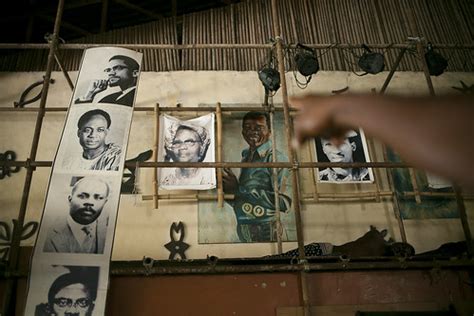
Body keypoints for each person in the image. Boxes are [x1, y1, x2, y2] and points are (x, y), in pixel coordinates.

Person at [290, 94, 474, 190]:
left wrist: (342, 109)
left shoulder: (362, 173)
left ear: (353, 146)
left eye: (340, 143)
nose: (336, 151)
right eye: (328, 145)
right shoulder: (325, 176)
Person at [222, 111, 292, 242]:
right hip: (244, 229)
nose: (252, 132)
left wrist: (238, 190)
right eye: (248, 128)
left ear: (269, 132)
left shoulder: (276, 158)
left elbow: (285, 202)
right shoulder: (246, 156)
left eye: (259, 128)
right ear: (242, 132)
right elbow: (244, 199)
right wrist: (228, 190)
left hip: (266, 230)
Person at [43, 177, 109, 254]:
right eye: (82, 196)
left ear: (105, 202)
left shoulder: (108, 233)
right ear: (70, 199)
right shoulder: (47, 232)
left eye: (98, 198)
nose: (90, 202)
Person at [75, 55, 139, 106]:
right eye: (108, 70)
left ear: (135, 73)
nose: (110, 73)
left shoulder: (136, 96)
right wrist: (90, 93)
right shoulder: (108, 98)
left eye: (117, 68)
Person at [161, 121, 212, 186]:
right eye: (177, 142)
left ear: (201, 147)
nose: (182, 147)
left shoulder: (207, 178)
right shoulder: (169, 179)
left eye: (189, 142)